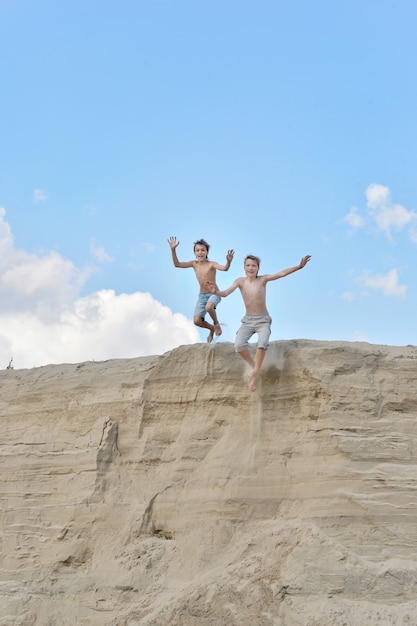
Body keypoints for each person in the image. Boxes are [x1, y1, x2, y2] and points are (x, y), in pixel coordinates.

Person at [207, 253, 311, 391]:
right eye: (248, 265)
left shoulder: (263, 280)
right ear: (244, 268)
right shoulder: (240, 282)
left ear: (258, 268)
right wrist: (215, 292)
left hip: (263, 320)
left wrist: (299, 266)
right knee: (238, 345)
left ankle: (255, 375)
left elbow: (281, 274)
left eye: (253, 266)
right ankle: (254, 366)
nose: (251, 268)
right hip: (248, 321)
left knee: (262, 343)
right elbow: (225, 293)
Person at [168, 236, 235, 343]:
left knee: (209, 307)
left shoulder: (212, 264)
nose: (200, 252)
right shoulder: (194, 264)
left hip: (214, 293)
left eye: (203, 250)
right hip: (202, 295)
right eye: (197, 250)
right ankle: (211, 329)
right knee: (197, 321)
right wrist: (173, 250)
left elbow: (225, 268)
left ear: (207, 252)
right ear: (194, 253)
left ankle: (216, 324)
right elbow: (177, 264)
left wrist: (228, 262)